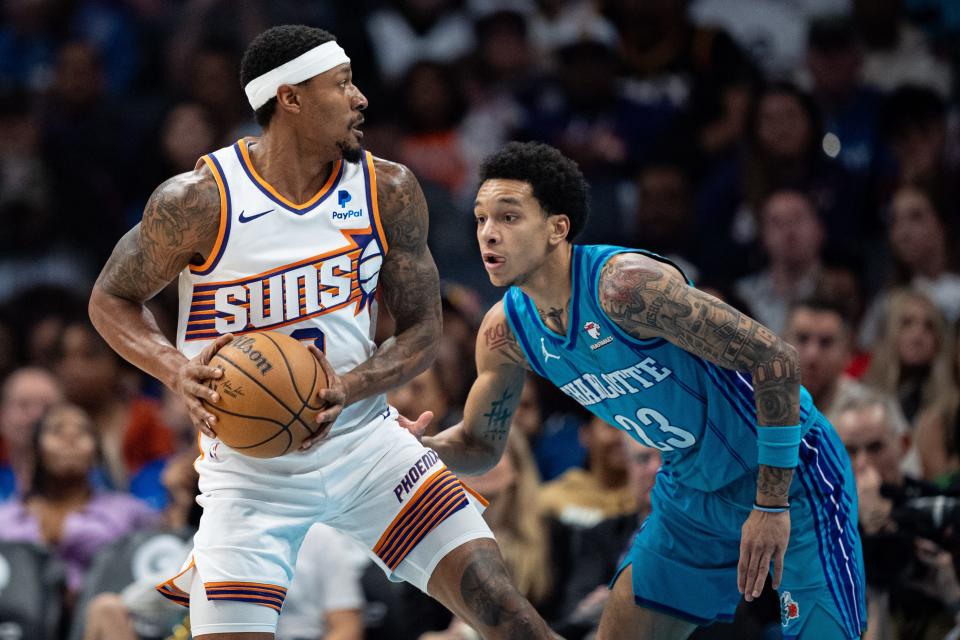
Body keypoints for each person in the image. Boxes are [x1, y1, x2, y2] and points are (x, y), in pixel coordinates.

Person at [87, 25, 554, 640]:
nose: (361, 98)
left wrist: (353, 384)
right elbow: (109, 300)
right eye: (342, 84)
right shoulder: (199, 200)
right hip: (248, 472)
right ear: (291, 98)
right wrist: (175, 369)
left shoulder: (388, 189)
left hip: (367, 448)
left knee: (510, 617)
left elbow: (422, 330)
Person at [403, 141, 866, 639]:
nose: (488, 235)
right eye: (480, 220)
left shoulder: (626, 289)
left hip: (790, 475)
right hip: (690, 492)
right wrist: (419, 451)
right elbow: (480, 446)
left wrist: (771, 504)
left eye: (509, 218)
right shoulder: (506, 332)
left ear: (558, 228)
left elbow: (775, 359)